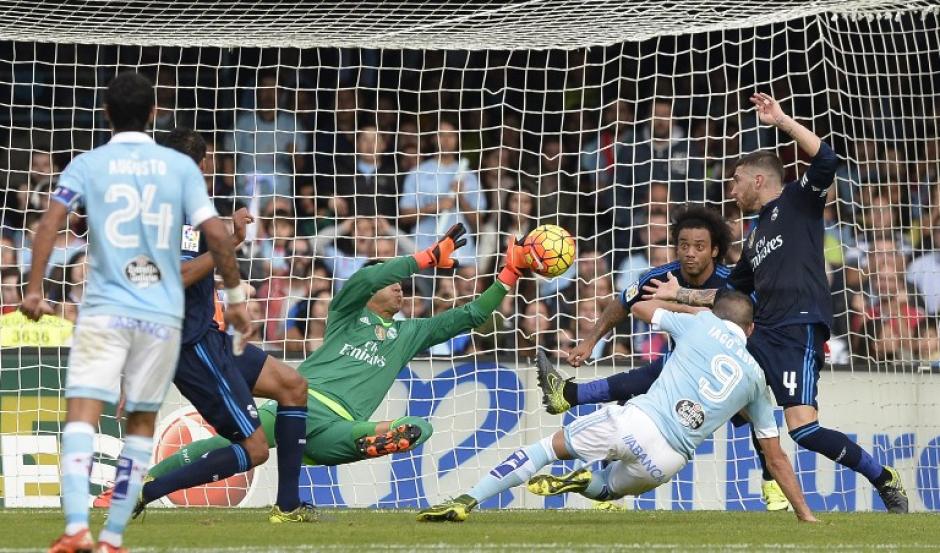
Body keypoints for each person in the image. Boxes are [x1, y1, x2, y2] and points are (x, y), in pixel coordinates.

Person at [129, 224, 542, 506]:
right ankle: (147, 480)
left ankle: (373, 440)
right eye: (390, 280)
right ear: (370, 290)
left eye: (402, 283)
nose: (399, 286)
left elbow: (470, 316)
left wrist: (509, 272)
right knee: (236, 444)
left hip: (342, 428)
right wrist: (426, 257)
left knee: (421, 429)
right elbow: (365, 279)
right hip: (301, 404)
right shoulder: (347, 311)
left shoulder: (409, 333)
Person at [644, 93, 909, 513]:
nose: (730, 188)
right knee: (707, 377)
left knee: (803, 429)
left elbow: (827, 160)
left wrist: (782, 121)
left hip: (797, 328)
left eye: (735, 180)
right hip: (761, 331)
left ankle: (883, 477)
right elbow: (729, 295)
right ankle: (755, 469)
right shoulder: (753, 238)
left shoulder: (798, 201)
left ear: (758, 180)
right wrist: (677, 293)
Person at [20, 72, 249, 553]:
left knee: (82, 415)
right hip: (159, 315)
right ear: (151, 116)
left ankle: (77, 527)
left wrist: (35, 289)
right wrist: (234, 298)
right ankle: (114, 538)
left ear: (105, 113)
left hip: (105, 305)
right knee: (141, 421)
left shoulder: (89, 163)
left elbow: (50, 224)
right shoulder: (177, 170)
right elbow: (218, 236)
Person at [417, 292, 816, 523]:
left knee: (544, 449)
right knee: (606, 488)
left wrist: (686, 302)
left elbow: (639, 306)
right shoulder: (757, 379)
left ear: (715, 315)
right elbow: (776, 456)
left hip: (636, 421)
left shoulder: (700, 323)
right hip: (668, 461)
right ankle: (582, 481)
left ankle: (466, 500)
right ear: (750, 330)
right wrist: (805, 515)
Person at [93, 128, 312, 523]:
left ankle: (289, 505)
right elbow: (175, 276)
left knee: (293, 386)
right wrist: (229, 244)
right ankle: (144, 491)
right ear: (203, 162)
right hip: (191, 346)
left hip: (209, 336)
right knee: (256, 448)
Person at [537, 205, 789, 511]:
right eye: (683, 245)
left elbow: (752, 321)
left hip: (728, 372)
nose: (690, 253)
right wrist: (590, 341)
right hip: (680, 368)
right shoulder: (659, 277)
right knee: (631, 407)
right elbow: (624, 304)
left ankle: (769, 481)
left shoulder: (733, 283)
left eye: (699, 247)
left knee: (760, 420)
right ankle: (599, 473)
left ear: (714, 251)